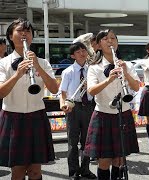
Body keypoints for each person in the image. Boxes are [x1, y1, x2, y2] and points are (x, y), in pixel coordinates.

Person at [0, 18, 58, 180]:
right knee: (17, 171)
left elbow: (54, 89)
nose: (24, 34)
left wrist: (38, 67)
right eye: (19, 31)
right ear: (11, 36)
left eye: (28, 31)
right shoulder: (3, 63)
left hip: (36, 116)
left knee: (35, 170)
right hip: (13, 117)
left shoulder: (42, 62)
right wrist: (18, 74)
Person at [84, 29, 140, 180]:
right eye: (106, 39)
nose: (110, 41)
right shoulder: (94, 68)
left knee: (119, 159)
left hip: (124, 113)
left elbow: (136, 87)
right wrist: (108, 79)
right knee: (104, 160)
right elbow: (91, 91)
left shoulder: (127, 64)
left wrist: (126, 72)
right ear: (99, 44)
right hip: (103, 115)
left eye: (113, 38)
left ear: (117, 42)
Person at [59, 42, 96, 179]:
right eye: (78, 51)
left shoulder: (91, 70)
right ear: (73, 56)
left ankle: (85, 169)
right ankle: (73, 172)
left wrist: (90, 85)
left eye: (84, 50)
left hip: (89, 106)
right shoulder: (67, 72)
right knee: (73, 142)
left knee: (87, 141)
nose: (82, 53)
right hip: (73, 107)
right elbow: (63, 92)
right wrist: (64, 104)